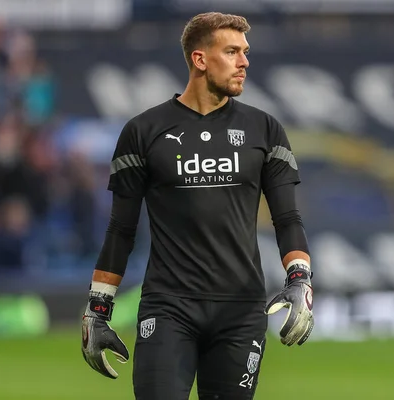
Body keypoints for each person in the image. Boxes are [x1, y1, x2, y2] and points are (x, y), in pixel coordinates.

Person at [81, 12, 314, 399]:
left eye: (245, 52)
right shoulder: (143, 132)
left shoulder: (265, 130)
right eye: (232, 51)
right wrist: (98, 307)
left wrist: (300, 277)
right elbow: (120, 230)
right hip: (168, 307)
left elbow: (287, 216)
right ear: (200, 60)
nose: (244, 62)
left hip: (240, 312)